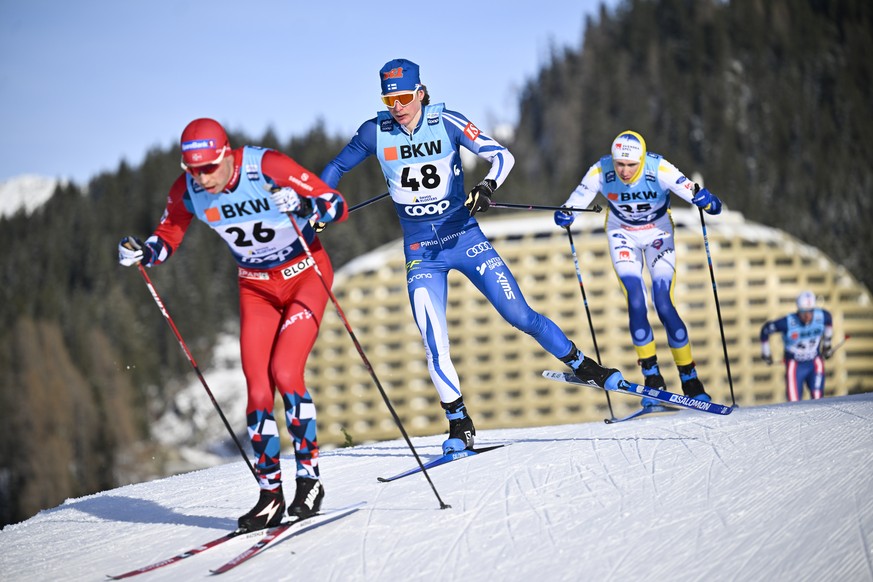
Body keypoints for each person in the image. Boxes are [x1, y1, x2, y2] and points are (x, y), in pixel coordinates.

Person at [320, 58, 626, 454]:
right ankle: (458, 422)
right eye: (389, 98)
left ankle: (583, 365)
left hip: (464, 238)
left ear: (421, 92)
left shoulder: (447, 121)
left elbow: (503, 156)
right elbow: (334, 167)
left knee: (520, 316)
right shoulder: (374, 132)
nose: (397, 106)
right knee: (435, 340)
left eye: (404, 96)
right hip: (421, 252)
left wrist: (486, 185)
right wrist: (321, 205)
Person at [117, 118, 348, 532]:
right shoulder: (186, 189)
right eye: (193, 170)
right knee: (258, 390)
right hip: (255, 287)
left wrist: (303, 205)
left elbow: (337, 205)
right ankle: (270, 495)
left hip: (305, 275)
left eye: (209, 168)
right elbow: (169, 234)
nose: (202, 178)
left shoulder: (267, 167)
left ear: (226, 155)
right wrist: (143, 252)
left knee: (285, 372)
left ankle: (310, 480)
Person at [554, 130, 723, 406]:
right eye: (619, 163)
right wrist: (565, 213)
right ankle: (652, 376)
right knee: (635, 299)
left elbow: (696, 193)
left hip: (658, 231)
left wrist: (709, 202)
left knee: (663, 302)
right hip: (622, 233)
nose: (624, 170)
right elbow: (575, 202)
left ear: (642, 160)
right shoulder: (601, 169)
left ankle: (690, 378)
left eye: (631, 165)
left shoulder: (660, 168)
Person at [760, 291, 834, 401]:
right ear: (798, 310)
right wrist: (766, 353)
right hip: (795, 366)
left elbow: (829, 321)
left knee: (818, 398)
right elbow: (765, 330)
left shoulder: (822, 316)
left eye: (810, 311)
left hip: (814, 362)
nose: (807, 315)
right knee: (794, 402)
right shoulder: (788, 322)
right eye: (803, 312)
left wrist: (827, 345)